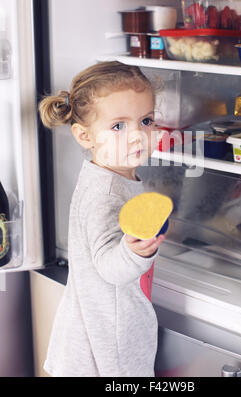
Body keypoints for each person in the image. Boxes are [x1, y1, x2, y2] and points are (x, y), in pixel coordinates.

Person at [38, 61, 165, 377]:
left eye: (146, 120)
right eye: (119, 126)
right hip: (107, 349)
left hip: (93, 334)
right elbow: (109, 266)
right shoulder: (105, 194)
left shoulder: (111, 174)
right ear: (84, 136)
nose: (137, 135)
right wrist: (133, 252)